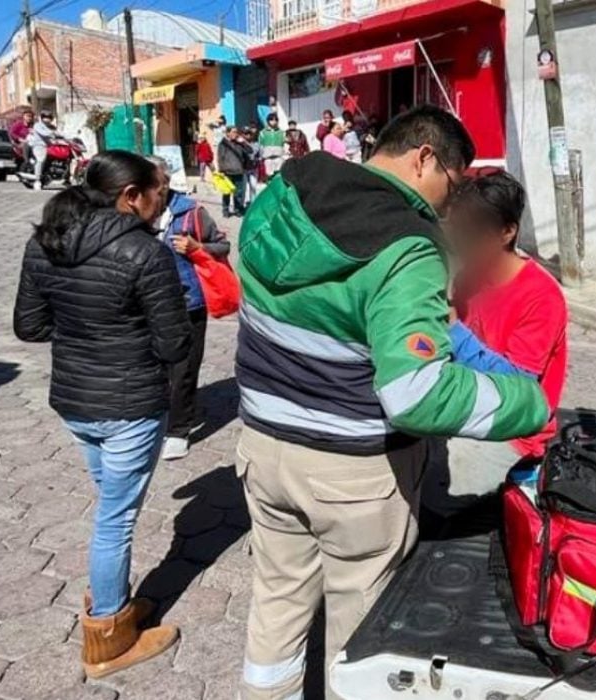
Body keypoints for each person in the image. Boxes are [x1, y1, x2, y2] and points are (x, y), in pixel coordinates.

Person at [233, 106, 549, 700]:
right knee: (362, 631)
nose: (449, 207)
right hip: (350, 474)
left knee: (276, 599)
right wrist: (523, 402)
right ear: (424, 157)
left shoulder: (288, 187)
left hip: (262, 446)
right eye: (453, 187)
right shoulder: (410, 245)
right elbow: (417, 394)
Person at [12, 150, 190, 678]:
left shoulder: (46, 239)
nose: (166, 199)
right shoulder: (144, 252)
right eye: (159, 189)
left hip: (75, 402)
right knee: (115, 521)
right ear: (129, 196)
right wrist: (118, 341)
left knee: (112, 507)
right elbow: (176, 345)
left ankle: (114, 598)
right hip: (129, 407)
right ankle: (107, 636)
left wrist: (84, 337)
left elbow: (30, 325)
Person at [424, 171, 569, 512]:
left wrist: (453, 328)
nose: (459, 243)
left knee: (431, 496)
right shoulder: (467, 278)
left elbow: (516, 386)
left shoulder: (542, 296)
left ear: (507, 232)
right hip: (459, 408)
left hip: (511, 432)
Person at [148, 158, 231, 460]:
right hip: (147, 304)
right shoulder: (131, 211)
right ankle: (155, 419)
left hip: (188, 304)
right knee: (154, 367)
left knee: (183, 370)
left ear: (165, 182)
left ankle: (178, 430)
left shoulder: (191, 212)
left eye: (153, 182)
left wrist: (199, 248)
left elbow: (222, 245)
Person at [217, 125, 251, 217]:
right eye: (233, 132)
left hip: (239, 171)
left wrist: (244, 142)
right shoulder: (223, 144)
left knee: (238, 193)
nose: (235, 134)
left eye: (236, 132)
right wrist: (221, 171)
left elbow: (250, 151)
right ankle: (225, 210)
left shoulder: (239, 143)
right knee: (226, 192)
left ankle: (237, 210)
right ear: (228, 133)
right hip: (227, 172)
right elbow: (220, 158)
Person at [28, 110, 61, 191]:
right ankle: (37, 181)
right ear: (42, 118)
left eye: (49, 117)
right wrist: (54, 133)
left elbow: (59, 133)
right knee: (40, 160)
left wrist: (69, 137)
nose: (47, 119)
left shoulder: (52, 127)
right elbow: (45, 133)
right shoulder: (38, 125)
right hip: (39, 146)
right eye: (45, 117)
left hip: (50, 146)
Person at [259, 113, 285, 180]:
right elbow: (261, 146)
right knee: (269, 176)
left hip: (278, 158)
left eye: (276, 120)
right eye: (272, 120)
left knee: (279, 176)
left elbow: (284, 145)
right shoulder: (262, 132)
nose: (274, 121)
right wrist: (262, 157)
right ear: (268, 121)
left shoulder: (282, 132)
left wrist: (284, 156)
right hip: (268, 158)